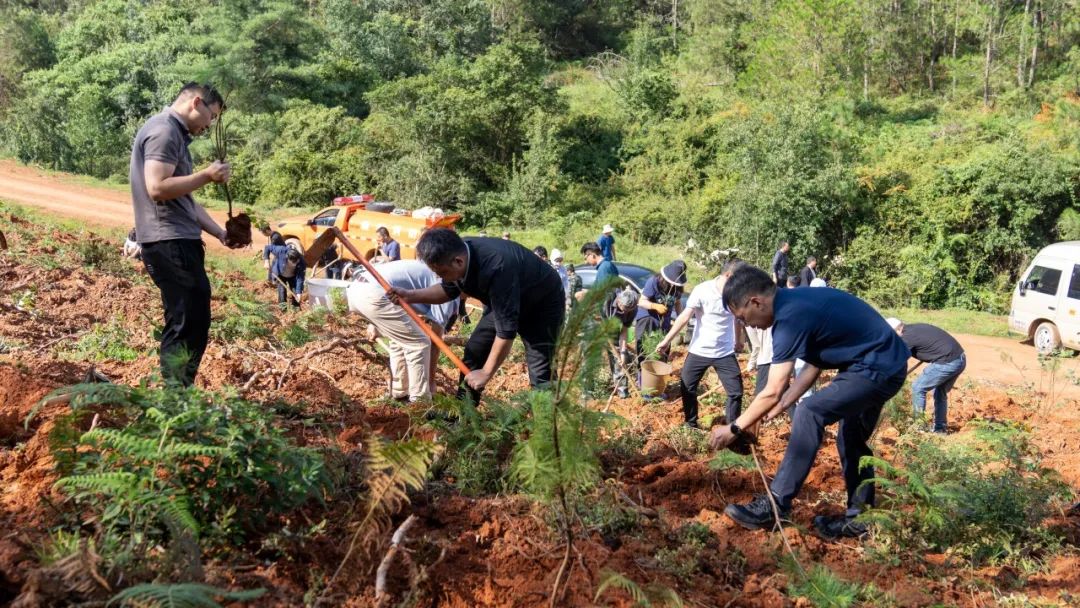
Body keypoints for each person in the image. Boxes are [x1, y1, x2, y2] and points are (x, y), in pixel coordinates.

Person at [714, 265, 909, 540]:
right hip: (884, 363)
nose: (747, 326)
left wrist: (734, 428)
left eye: (743, 318)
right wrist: (782, 405)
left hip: (874, 368)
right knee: (851, 440)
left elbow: (773, 387)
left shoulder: (788, 317)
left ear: (755, 301)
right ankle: (861, 520)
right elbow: (813, 366)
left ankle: (776, 504)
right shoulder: (797, 303)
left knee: (810, 411)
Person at [131, 82, 242, 386]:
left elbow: (185, 201)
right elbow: (156, 188)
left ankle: (177, 394)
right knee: (186, 321)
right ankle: (174, 399)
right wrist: (206, 175)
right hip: (168, 241)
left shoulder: (175, 135)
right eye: (212, 116)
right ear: (197, 103)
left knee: (191, 318)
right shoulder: (165, 131)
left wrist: (219, 232)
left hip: (179, 239)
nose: (210, 125)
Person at [389, 228, 564, 403]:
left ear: (458, 262)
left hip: (542, 305)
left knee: (541, 369)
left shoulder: (496, 267)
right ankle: (464, 416)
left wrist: (487, 373)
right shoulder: (458, 254)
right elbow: (447, 291)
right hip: (505, 298)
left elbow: (506, 333)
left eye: (441, 273)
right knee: (475, 350)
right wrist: (409, 295)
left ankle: (546, 425)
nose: (439, 277)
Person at [348, 260, 458, 403]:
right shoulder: (449, 293)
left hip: (358, 289)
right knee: (420, 343)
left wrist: (374, 323)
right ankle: (421, 402)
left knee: (400, 339)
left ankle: (400, 393)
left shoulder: (435, 272)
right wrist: (431, 382)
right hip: (375, 292)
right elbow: (435, 341)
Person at [657, 260, 746, 428]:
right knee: (687, 386)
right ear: (728, 276)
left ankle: (732, 429)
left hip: (724, 352)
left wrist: (738, 340)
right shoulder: (702, 290)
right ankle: (691, 423)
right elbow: (684, 317)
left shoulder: (736, 294)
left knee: (736, 392)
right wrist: (666, 340)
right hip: (700, 350)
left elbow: (737, 318)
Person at [886, 318, 966, 434]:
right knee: (940, 393)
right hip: (959, 359)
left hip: (947, 362)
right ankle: (940, 429)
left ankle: (919, 428)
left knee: (918, 388)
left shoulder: (907, 337)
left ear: (898, 329)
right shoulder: (914, 328)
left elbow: (897, 360)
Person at [634, 261, 686, 366]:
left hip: (664, 324)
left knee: (662, 352)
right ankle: (643, 377)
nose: (672, 284)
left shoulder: (678, 288)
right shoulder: (654, 281)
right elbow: (641, 301)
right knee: (645, 352)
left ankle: (658, 378)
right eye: (671, 281)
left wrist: (681, 317)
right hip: (647, 320)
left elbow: (678, 302)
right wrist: (654, 306)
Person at [604, 289, 639, 398]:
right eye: (624, 310)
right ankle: (587, 392)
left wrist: (623, 352)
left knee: (619, 359)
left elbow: (624, 330)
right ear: (618, 301)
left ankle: (622, 391)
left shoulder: (632, 309)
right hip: (595, 324)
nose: (625, 313)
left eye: (628, 311)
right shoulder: (606, 300)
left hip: (613, 328)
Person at [263, 243, 306, 308]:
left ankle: (296, 309)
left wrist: (299, 293)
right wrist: (266, 261)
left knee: (295, 294)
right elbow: (267, 247)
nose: (295, 264)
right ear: (287, 258)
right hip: (280, 275)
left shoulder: (301, 261)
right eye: (293, 262)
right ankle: (283, 309)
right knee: (282, 292)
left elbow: (300, 278)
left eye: (296, 262)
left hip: (293, 276)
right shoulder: (281, 250)